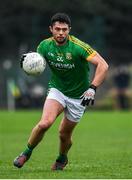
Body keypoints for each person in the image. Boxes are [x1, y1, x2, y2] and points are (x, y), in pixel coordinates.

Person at [13, 13, 108, 170]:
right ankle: (26, 153)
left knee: (64, 135)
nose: (61, 33)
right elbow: (36, 62)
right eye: (57, 29)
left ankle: (62, 158)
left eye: (64, 29)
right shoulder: (44, 46)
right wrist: (27, 62)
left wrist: (93, 88)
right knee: (45, 123)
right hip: (57, 89)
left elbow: (103, 65)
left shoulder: (79, 47)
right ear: (51, 29)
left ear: (69, 29)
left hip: (80, 96)